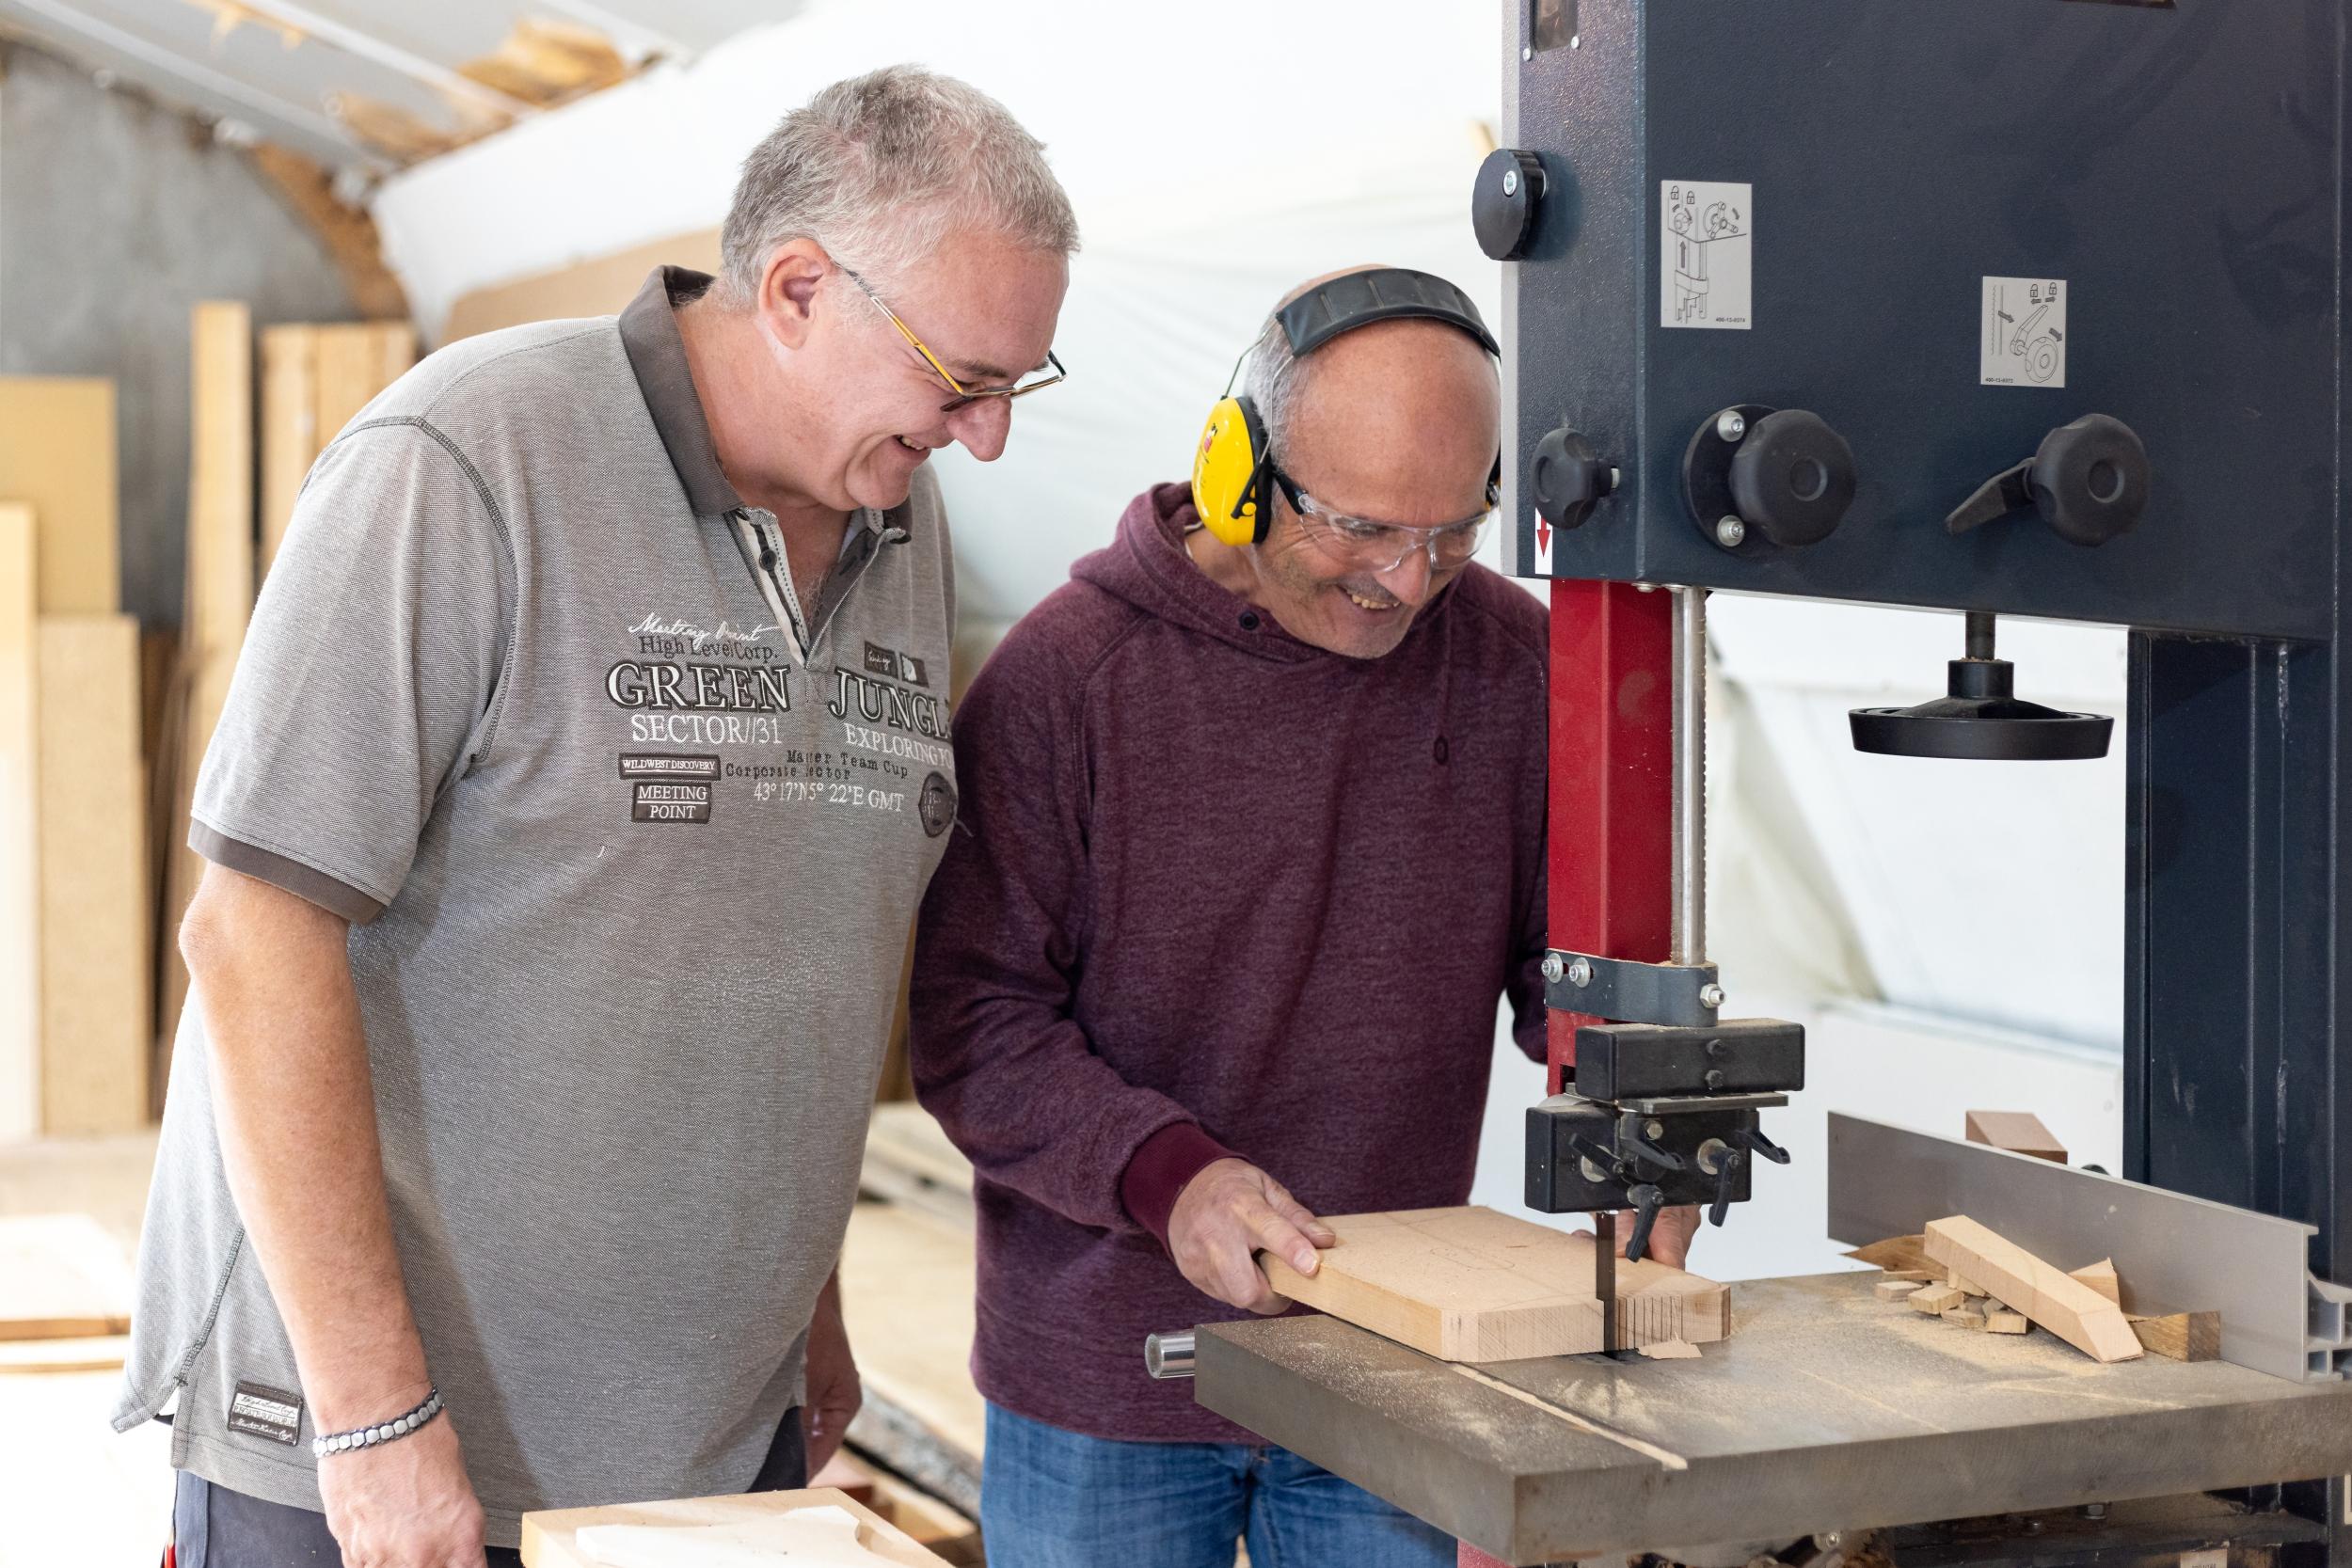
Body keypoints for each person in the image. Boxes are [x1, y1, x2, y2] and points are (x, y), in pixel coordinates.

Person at [115, 65, 1075, 1568]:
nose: (990, 433)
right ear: (799, 288)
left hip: (703, 1439)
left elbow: (794, 933)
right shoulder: (466, 465)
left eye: (1022, 382)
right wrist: (372, 1418)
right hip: (378, 1452)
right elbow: (250, 933)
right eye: (962, 379)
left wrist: (803, 1315)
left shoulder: (901, 517)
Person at [910, 267, 1691, 1567]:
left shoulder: (1512, 662)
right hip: (1107, 1383)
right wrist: (1175, 1179)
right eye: (1364, 529)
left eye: (1452, 533)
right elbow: (973, 1024)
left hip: (1390, 1365)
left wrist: (1637, 1114)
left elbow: (1571, 962)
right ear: (1241, 466)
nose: (1406, 580)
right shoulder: (1067, 680)